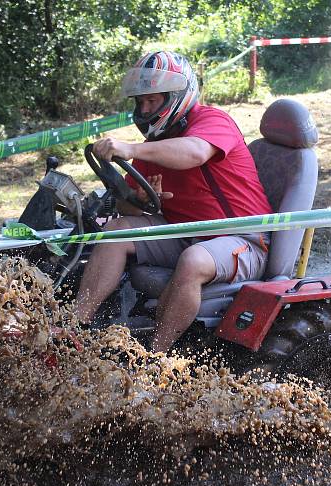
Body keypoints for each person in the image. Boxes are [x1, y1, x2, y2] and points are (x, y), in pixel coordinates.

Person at [74, 50, 272, 352]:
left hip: (242, 237)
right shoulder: (154, 147)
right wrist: (140, 200)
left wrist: (130, 148)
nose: (144, 108)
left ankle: (156, 358)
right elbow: (127, 208)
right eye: (140, 102)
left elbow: (195, 152)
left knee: (193, 261)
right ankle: (74, 329)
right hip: (183, 233)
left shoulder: (212, 120)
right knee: (115, 231)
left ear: (176, 96)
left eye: (152, 100)